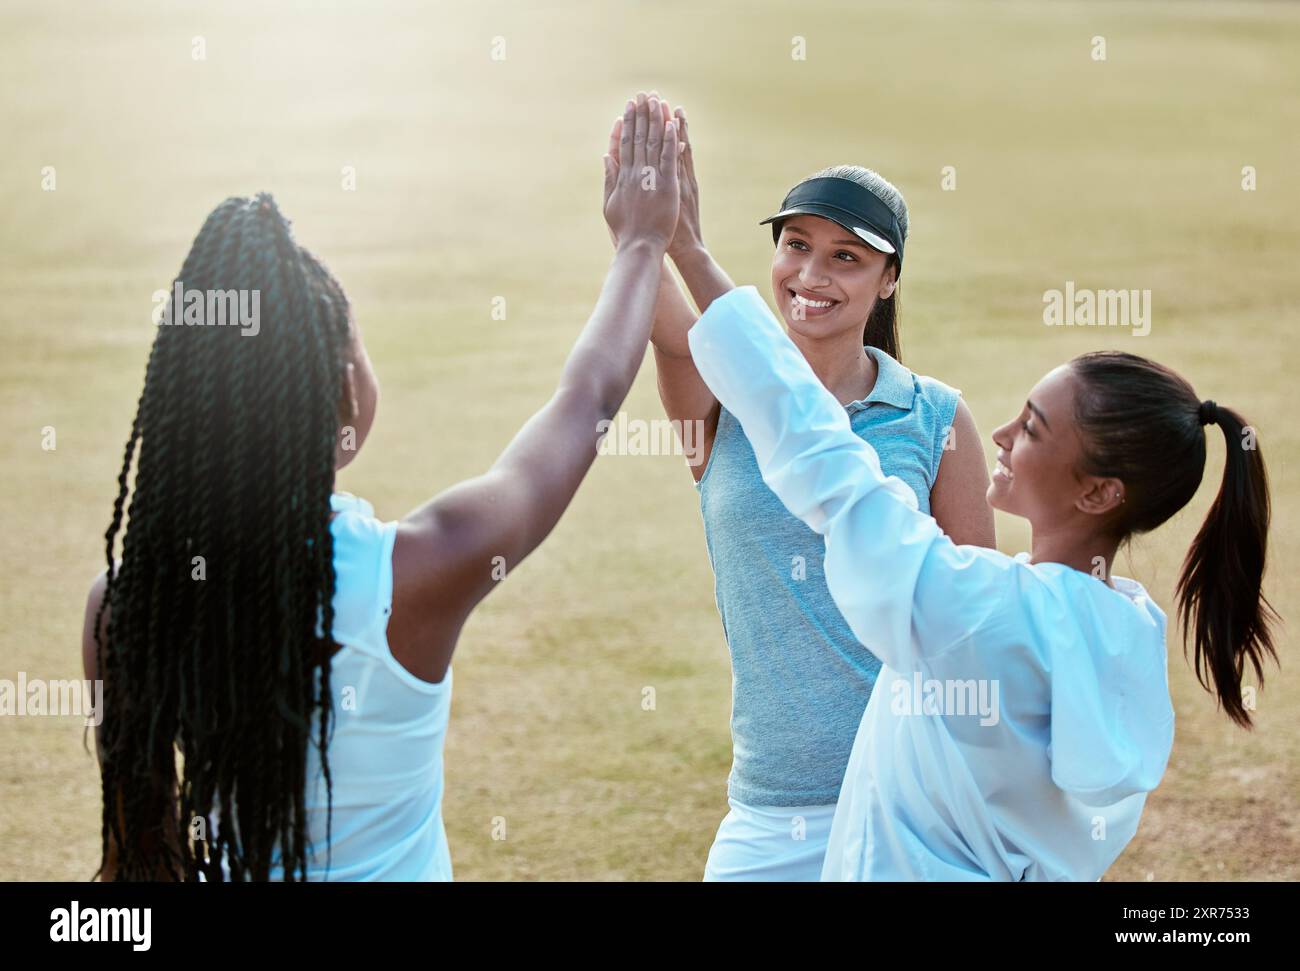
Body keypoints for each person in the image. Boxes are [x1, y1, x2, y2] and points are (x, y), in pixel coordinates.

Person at [81, 93, 682, 880]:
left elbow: (141, 857)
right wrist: (640, 244)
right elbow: (589, 401)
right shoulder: (421, 570)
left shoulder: (126, 604)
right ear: (337, 394)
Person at [686, 284, 1279, 881]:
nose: (1001, 432)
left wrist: (687, 251)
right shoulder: (1125, 628)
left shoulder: (984, 611)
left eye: (1033, 428)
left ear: (1098, 492)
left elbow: (830, 467)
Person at [604, 96, 995, 879]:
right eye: (795, 245)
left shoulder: (936, 419)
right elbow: (663, 319)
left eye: (847, 257)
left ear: (889, 280)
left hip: (911, 798)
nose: (811, 275)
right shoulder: (715, 397)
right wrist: (643, 232)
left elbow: (972, 627)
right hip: (772, 812)